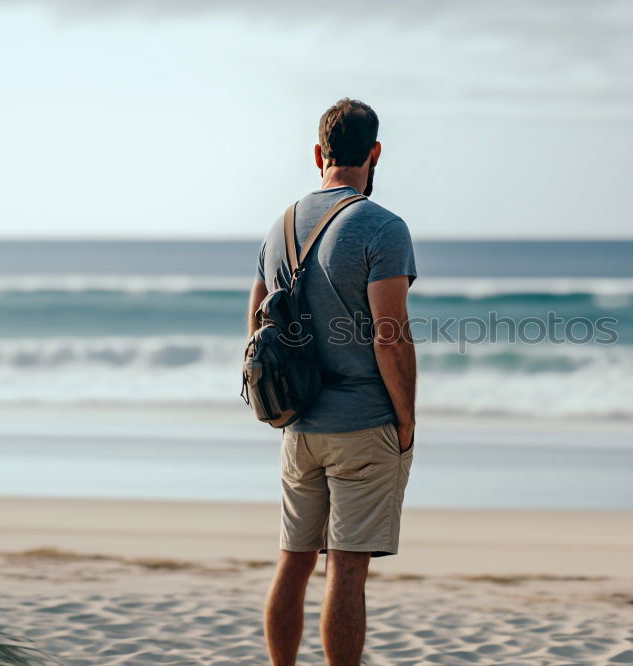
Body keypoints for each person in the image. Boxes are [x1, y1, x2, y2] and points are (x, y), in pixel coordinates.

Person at [247, 98, 417, 666]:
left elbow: (255, 327)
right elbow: (389, 336)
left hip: (299, 427)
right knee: (345, 567)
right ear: (374, 154)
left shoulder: (279, 228)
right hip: (363, 425)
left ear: (319, 154)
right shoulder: (382, 227)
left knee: (293, 562)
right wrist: (407, 419)